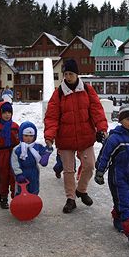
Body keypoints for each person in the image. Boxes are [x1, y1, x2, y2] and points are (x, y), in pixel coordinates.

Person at [44, 58, 108, 214]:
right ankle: (71, 198)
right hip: (65, 139)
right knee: (68, 170)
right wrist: (49, 137)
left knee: (90, 166)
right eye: (65, 74)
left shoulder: (87, 90)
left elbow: (97, 111)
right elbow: (51, 117)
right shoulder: (58, 94)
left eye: (70, 74)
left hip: (85, 137)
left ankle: (81, 190)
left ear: (77, 74)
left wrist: (102, 128)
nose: (67, 77)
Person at [94, 104, 129, 245]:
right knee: (125, 202)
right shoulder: (114, 138)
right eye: (127, 119)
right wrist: (100, 172)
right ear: (121, 120)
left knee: (128, 200)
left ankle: (117, 216)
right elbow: (105, 156)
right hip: (117, 175)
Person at [11, 121, 53, 195]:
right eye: (26, 135)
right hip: (22, 171)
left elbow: (43, 157)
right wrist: (18, 174)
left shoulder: (37, 146)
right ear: (21, 135)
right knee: (21, 190)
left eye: (31, 136)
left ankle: (33, 202)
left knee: (34, 188)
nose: (28, 138)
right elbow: (14, 162)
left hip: (34, 171)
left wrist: (48, 150)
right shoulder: (18, 149)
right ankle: (20, 203)